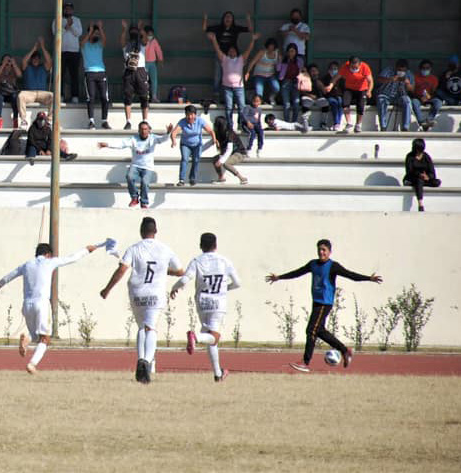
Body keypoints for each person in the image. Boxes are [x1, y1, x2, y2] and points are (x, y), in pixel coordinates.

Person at [266, 239, 382, 372]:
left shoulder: (333, 266)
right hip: (316, 301)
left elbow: (351, 275)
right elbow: (297, 272)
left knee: (311, 330)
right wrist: (279, 277)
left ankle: (305, 362)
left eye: (324, 250)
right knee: (319, 330)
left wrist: (369, 278)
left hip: (325, 303)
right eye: (319, 250)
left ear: (329, 252)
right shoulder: (313, 264)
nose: (321, 252)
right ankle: (345, 351)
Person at [0, 241, 99, 374]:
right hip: (41, 303)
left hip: (26, 304)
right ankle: (32, 364)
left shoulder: (26, 265)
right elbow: (72, 258)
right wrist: (87, 250)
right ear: (48, 254)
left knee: (37, 337)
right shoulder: (50, 262)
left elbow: (7, 277)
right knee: (45, 338)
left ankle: (27, 339)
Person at [99, 217, 183, 384]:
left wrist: (107, 289)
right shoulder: (165, 249)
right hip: (156, 294)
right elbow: (180, 270)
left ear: (141, 231)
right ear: (156, 231)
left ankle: (141, 360)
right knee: (150, 328)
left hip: (137, 292)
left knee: (141, 328)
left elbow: (122, 269)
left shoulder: (134, 248)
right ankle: (146, 361)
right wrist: (164, 272)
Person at [170, 232, 241, 382]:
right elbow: (237, 283)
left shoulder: (197, 261)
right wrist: (225, 288)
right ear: (216, 245)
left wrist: (174, 288)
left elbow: (184, 280)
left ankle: (218, 373)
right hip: (218, 303)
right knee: (214, 338)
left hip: (202, 302)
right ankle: (195, 337)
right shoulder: (224, 261)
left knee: (210, 338)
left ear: (201, 246)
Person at [98, 121, 172, 208]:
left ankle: (144, 202)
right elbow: (121, 144)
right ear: (138, 131)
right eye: (141, 129)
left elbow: (163, 139)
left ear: (149, 130)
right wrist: (107, 145)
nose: (143, 131)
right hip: (136, 165)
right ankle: (134, 198)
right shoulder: (133, 139)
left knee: (144, 182)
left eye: (145, 129)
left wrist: (168, 132)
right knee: (129, 176)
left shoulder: (153, 138)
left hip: (148, 167)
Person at [208, 30, 258, 130]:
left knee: (242, 107)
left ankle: (241, 124)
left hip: (239, 87)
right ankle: (230, 126)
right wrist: (214, 40)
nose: (232, 52)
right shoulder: (224, 59)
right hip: (227, 87)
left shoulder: (240, 59)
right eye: (230, 51)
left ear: (236, 51)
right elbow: (217, 49)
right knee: (228, 108)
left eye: (233, 50)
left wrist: (253, 40)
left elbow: (248, 50)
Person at [204, 11, 252, 96]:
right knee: (218, 75)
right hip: (220, 55)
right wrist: (205, 18)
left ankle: (233, 94)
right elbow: (205, 29)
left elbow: (249, 29)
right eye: (226, 17)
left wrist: (248, 19)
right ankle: (216, 94)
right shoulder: (219, 28)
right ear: (223, 19)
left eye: (230, 17)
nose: (228, 19)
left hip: (233, 56)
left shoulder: (235, 28)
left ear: (232, 19)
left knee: (233, 75)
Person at [169, 104, 216, 186]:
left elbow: (210, 131)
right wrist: (173, 141)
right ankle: (181, 179)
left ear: (195, 114)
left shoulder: (200, 121)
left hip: (197, 144)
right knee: (184, 159)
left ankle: (192, 178)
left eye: (191, 115)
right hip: (185, 144)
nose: (190, 117)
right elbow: (174, 132)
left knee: (196, 160)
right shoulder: (182, 122)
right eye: (188, 115)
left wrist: (214, 139)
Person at [51, 1, 82, 102]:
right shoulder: (57, 19)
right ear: (63, 9)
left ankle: (75, 96)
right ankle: (60, 95)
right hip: (62, 51)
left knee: (74, 75)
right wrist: (65, 27)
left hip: (74, 52)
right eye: (66, 8)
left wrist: (71, 26)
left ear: (72, 10)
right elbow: (55, 33)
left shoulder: (77, 20)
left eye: (70, 9)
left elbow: (79, 33)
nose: (68, 10)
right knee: (61, 74)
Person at [81, 22, 110, 129]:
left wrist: (100, 28)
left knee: (104, 97)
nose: (97, 35)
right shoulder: (85, 45)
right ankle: (91, 121)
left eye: (98, 34)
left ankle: (104, 121)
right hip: (89, 73)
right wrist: (90, 32)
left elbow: (105, 40)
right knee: (91, 97)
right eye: (95, 33)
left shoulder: (99, 44)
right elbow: (82, 43)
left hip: (101, 72)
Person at [18, 38, 54, 127]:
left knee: (54, 96)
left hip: (42, 93)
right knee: (20, 95)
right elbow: (24, 61)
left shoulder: (43, 67)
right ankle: (23, 120)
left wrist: (42, 47)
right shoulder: (27, 67)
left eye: (37, 58)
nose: (35, 60)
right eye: (34, 58)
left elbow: (49, 61)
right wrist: (34, 49)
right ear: (31, 59)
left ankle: (49, 120)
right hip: (29, 93)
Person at [120, 21, 149, 129]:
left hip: (140, 70)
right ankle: (128, 121)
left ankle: (145, 120)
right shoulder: (127, 45)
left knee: (144, 97)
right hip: (129, 71)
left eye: (135, 30)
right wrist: (125, 29)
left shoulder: (141, 44)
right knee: (127, 97)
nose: (133, 32)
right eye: (132, 30)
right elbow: (121, 41)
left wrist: (140, 29)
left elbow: (146, 39)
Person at [338, 55, 373, 133]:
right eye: (352, 67)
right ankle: (349, 123)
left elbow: (370, 81)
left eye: (356, 67)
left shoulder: (365, 67)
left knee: (360, 107)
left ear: (359, 64)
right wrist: (330, 85)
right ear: (349, 64)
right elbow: (337, 76)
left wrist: (369, 91)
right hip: (349, 88)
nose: (354, 69)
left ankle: (358, 124)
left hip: (361, 88)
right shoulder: (345, 66)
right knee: (345, 104)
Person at [403, 138, 440, 212]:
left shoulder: (426, 157)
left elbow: (432, 171)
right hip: (413, 177)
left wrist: (428, 177)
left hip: (424, 178)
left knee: (437, 182)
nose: (418, 152)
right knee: (419, 180)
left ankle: (421, 182)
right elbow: (409, 171)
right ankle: (420, 203)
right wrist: (419, 175)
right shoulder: (410, 156)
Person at [376, 59, 413, 131]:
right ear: (396, 68)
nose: (401, 72)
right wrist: (390, 79)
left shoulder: (409, 74)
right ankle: (383, 126)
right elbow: (379, 79)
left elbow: (412, 89)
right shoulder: (388, 70)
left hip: (400, 96)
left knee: (407, 100)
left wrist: (407, 83)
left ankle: (406, 126)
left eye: (403, 71)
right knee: (381, 100)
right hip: (386, 94)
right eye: (399, 70)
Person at [211, 116, 248, 185]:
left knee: (226, 163)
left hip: (239, 153)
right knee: (215, 159)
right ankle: (221, 177)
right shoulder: (218, 133)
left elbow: (229, 149)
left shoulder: (230, 133)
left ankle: (241, 178)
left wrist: (221, 160)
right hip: (229, 153)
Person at [245, 37, 281, 104]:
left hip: (270, 75)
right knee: (259, 91)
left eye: (273, 47)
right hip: (259, 74)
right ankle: (259, 102)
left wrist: (280, 58)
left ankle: (271, 97)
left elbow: (279, 66)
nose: (271, 48)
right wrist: (247, 72)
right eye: (270, 46)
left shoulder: (277, 54)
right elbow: (252, 62)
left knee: (276, 87)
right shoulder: (262, 52)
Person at [410, 59, 441, 132]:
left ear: (430, 69)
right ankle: (422, 122)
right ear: (420, 69)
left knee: (438, 102)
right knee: (414, 102)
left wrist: (430, 97)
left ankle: (429, 119)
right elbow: (412, 92)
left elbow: (435, 92)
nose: (425, 70)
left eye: (427, 68)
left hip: (429, 98)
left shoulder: (434, 79)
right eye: (423, 68)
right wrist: (420, 98)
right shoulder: (415, 77)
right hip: (418, 98)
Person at [0, 53, 20, 129]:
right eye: (6, 60)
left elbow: (20, 75)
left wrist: (14, 64)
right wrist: (3, 64)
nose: (8, 62)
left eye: (9, 61)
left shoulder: (14, 69)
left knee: (15, 97)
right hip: (1, 92)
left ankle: (15, 119)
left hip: (11, 92)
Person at [276, 43, 304, 123]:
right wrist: (279, 60)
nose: (291, 53)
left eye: (293, 51)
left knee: (296, 103)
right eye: (289, 51)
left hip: (296, 82)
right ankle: (287, 122)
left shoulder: (299, 60)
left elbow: (301, 70)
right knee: (286, 104)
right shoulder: (284, 60)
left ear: (296, 52)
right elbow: (278, 69)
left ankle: (294, 122)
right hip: (286, 82)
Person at [317, 61, 344, 130]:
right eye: (332, 69)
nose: (333, 70)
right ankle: (336, 123)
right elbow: (323, 89)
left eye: (335, 69)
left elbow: (344, 89)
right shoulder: (325, 78)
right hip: (330, 96)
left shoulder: (341, 78)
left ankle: (338, 123)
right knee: (334, 104)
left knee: (340, 103)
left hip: (339, 96)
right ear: (329, 70)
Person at [143, 25, 164, 103]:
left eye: (151, 34)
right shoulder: (143, 41)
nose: (150, 36)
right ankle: (144, 96)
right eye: (149, 34)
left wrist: (160, 59)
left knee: (154, 80)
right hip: (143, 63)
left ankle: (154, 97)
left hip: (152, 63)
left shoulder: (154, 41)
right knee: (144, 81)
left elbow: (158, 50)